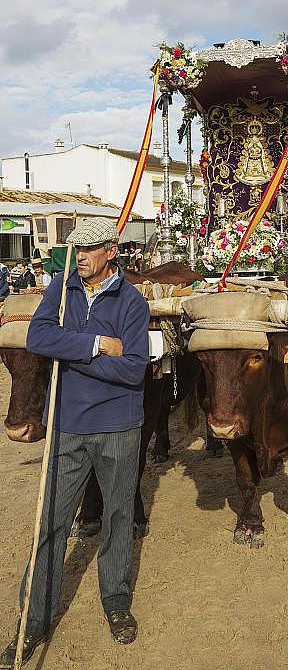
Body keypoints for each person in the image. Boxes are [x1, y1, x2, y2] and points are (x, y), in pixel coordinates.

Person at [0, 219, 150, 669]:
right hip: (66, 426)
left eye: (86, 249)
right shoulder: (59, 290)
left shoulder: (132, 302)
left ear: (110, 251)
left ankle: (117, 601)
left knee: (119, 516)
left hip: (120, 427)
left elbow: (134, 370)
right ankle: (33, 624)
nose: (77, 256)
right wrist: (97, 346)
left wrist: (70, 354)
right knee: (50, 523)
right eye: (74, 249)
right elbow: (37, 338)